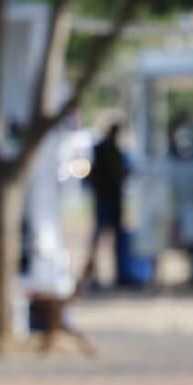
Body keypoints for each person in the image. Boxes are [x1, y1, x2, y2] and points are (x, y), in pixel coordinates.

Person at [77, 123, 126, 293]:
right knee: (100, 241)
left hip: (108, 202)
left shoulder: (107, 150)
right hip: (107, 202)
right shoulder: (106, 150)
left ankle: (109, 274)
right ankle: (93, 275)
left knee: (108, 241)